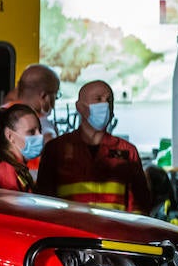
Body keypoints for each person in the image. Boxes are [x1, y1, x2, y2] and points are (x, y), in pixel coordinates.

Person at [36, 79, 152, 213]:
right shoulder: (56, 149)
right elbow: (45, 202)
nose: (105, 104)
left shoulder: (127, 151)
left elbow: (140, 204)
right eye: (98, 99)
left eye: (109, 100)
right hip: (72, 231)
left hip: (113, 232)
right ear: (80, 107)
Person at [0, 64, 61, 181]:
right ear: (44, 96)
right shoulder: (38, 123)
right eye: (55, 96)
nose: (54, 102)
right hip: (27, 195)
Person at [0, 103, 43, 192]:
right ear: (10, 136)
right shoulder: (7, 174)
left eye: (40, 130)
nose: (40, 136)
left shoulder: (18, 171)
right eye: (31, 132)